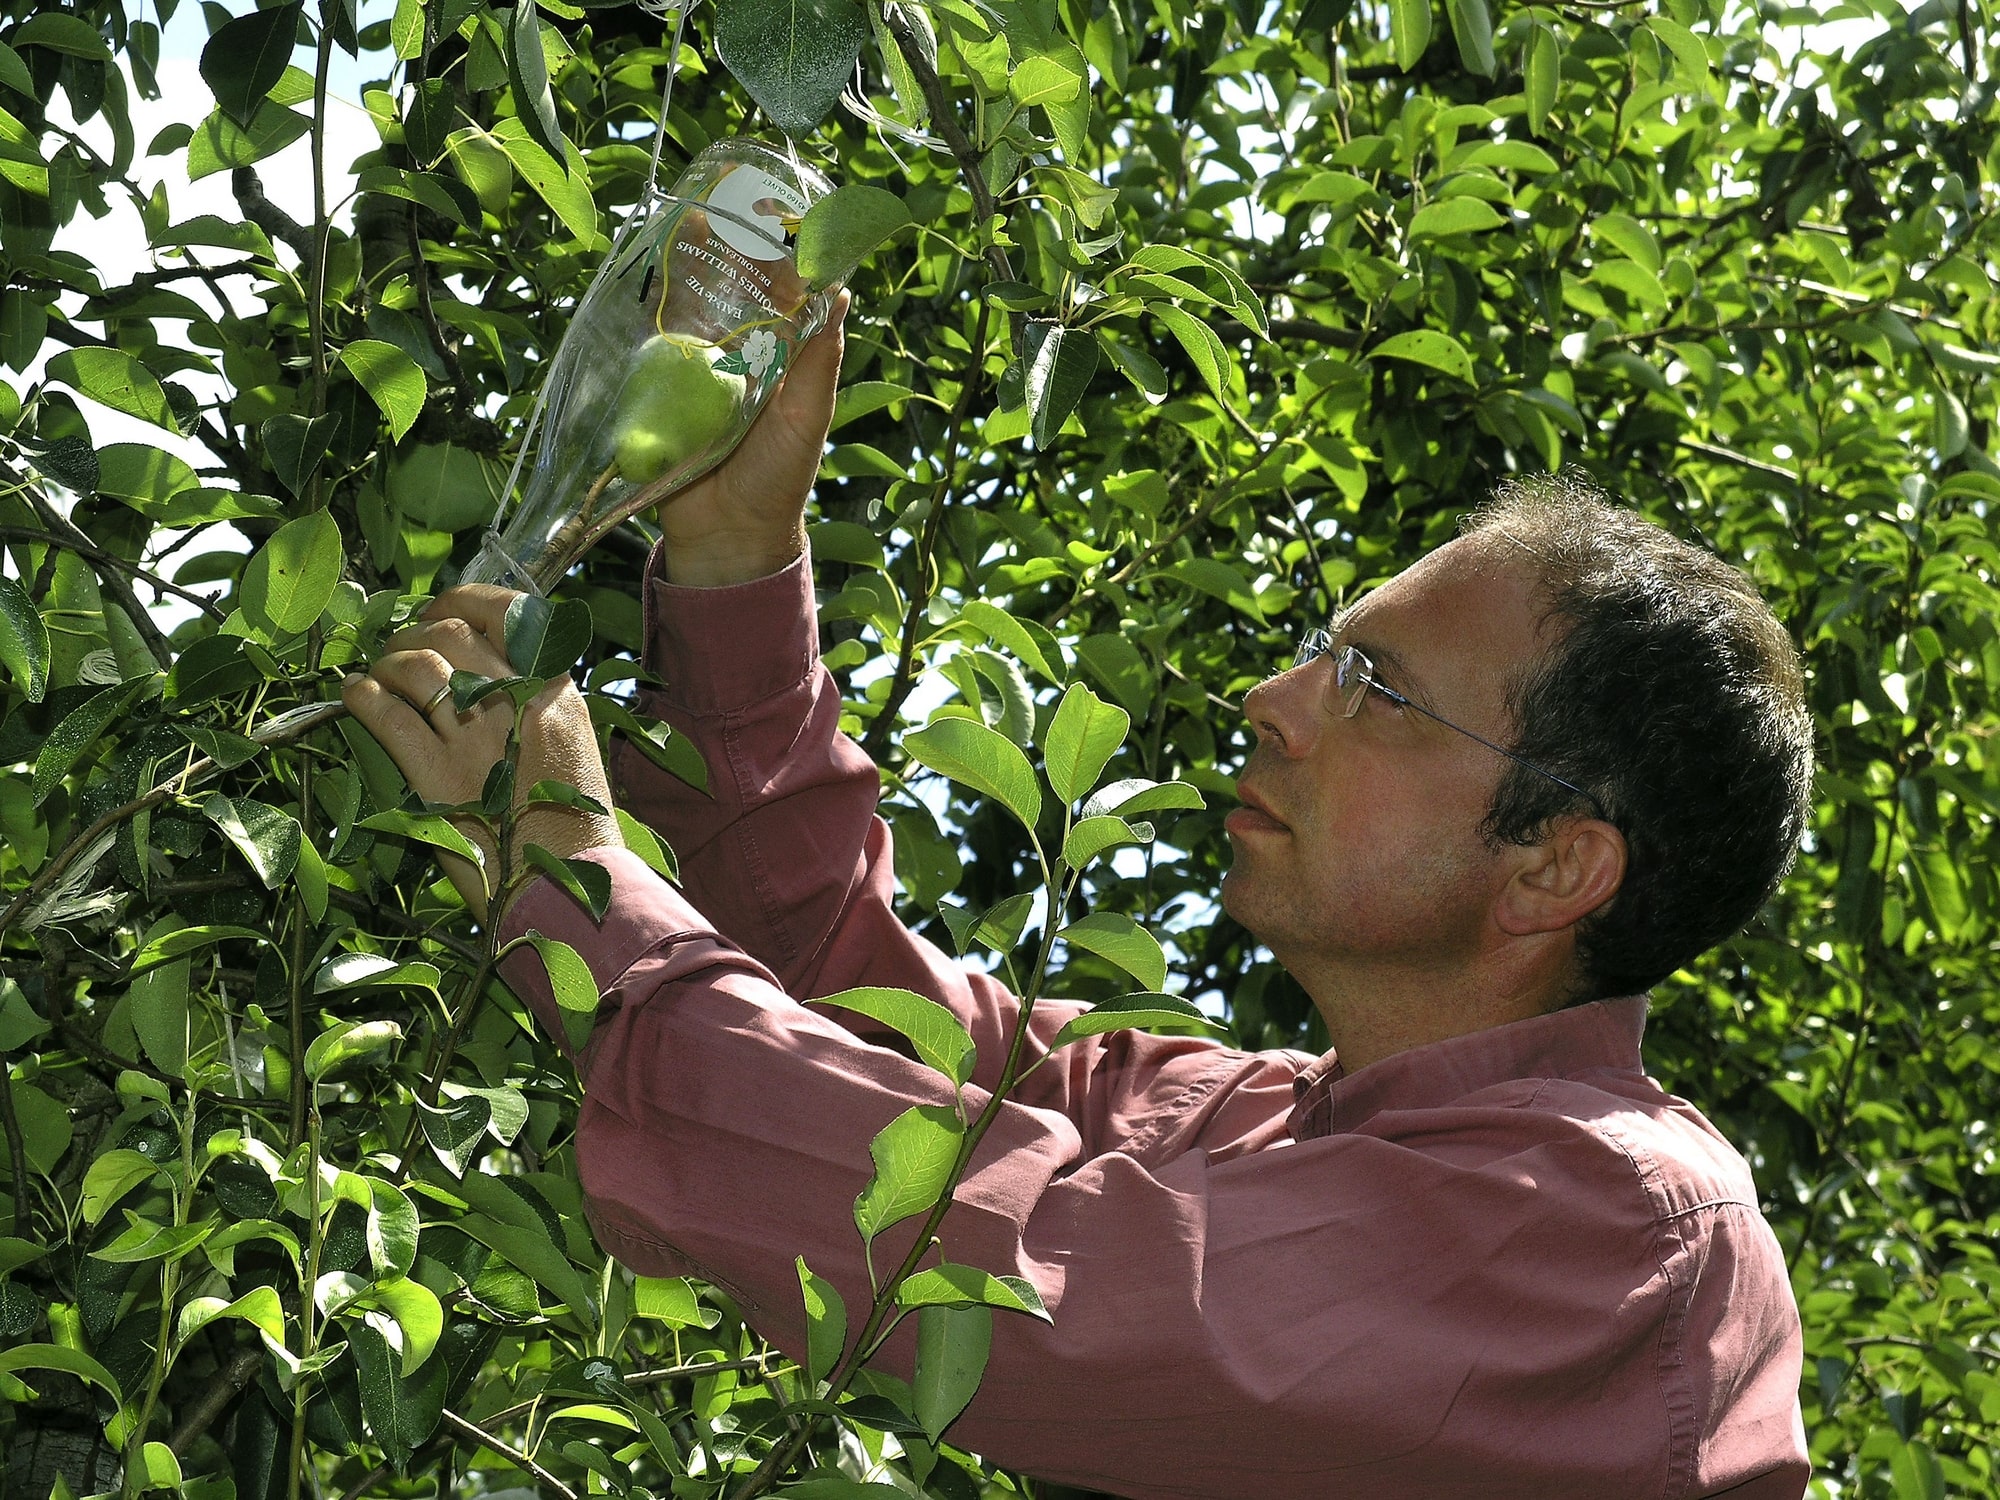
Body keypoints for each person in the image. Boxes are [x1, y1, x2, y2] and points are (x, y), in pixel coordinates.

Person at [343, 299, 1815, 1499]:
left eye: (1374, 689)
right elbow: (854, 998)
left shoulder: (1612, 1228)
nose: (1272, 700)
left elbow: (1025, 1271)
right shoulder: (1259, 1121)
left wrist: (570, 860)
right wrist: (738, 554)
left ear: (1557, 863)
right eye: (1322, 649)